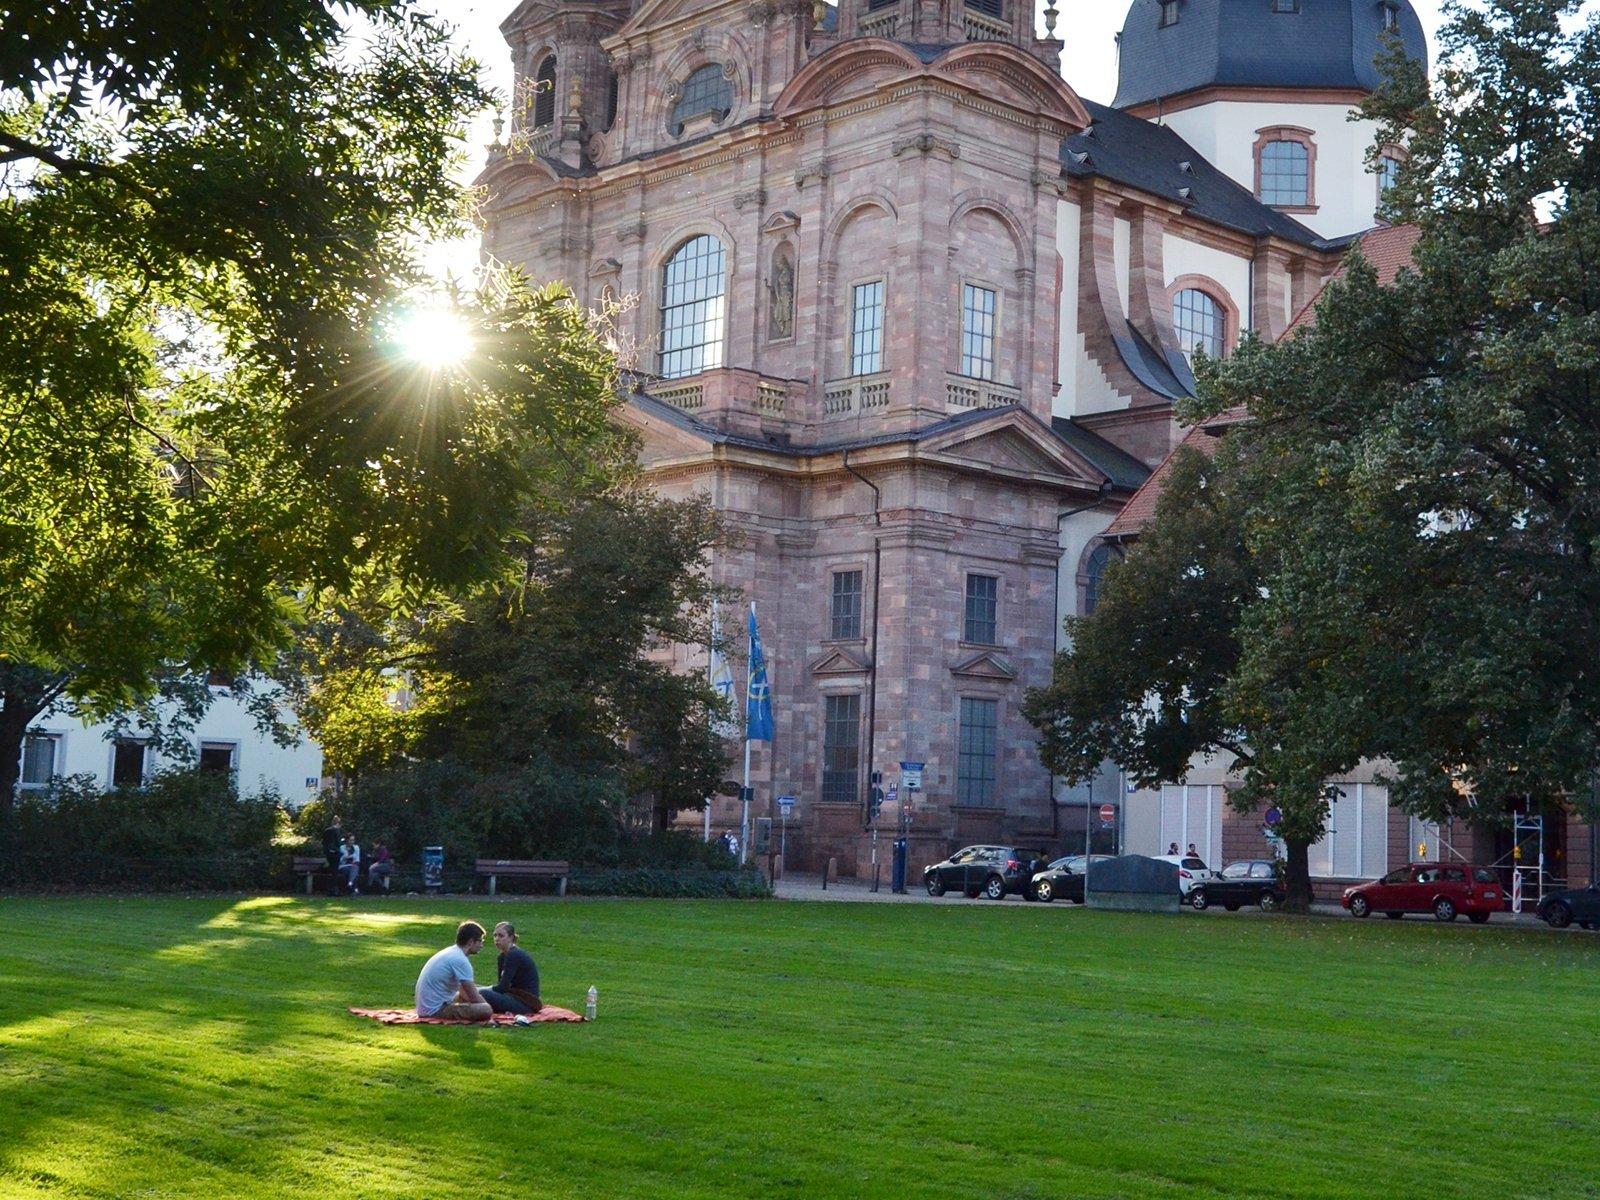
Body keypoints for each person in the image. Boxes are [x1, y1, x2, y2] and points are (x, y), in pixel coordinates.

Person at [415, 921, 492, 1021]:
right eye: (480, 941)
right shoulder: (460, 960)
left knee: (473, 995)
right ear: (471, 942)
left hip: (427, 1007)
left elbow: (464, 990)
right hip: (434, 1011)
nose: (482, 944)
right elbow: (474, 997)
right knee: (486, 1009)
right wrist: (488, 1009)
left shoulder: (452, 952)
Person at [480, 921, 542, 1016]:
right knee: (476, 990)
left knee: (482, 993)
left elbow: (502, 987)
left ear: (511, 938)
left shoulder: (514, 955)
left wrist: (479, 990)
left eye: (501, 936)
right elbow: (501, 986)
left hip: (526, 1004)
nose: (496, 939)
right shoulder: (502, 957)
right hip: (512, 996)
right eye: (495, 936)